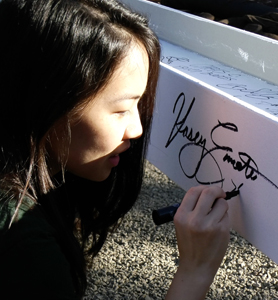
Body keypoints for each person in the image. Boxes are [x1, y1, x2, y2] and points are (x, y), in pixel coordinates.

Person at [0, 0, 230, 299]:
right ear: (47, 101)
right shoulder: (22, 243)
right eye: (121, 109)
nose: (136, 129)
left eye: (139, 104)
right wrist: (195, 269)